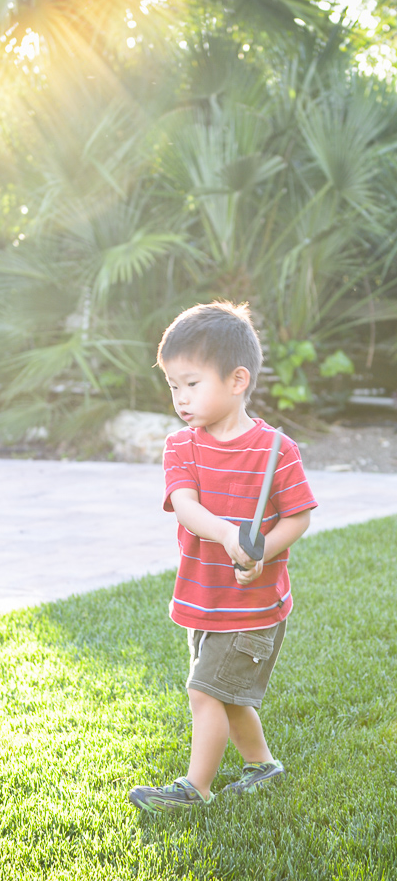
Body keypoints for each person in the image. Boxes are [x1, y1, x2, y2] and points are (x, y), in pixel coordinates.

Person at [129, 301, 317, 814]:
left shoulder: (277, 450)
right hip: (203, 596)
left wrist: (261, 552)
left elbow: (297, 518)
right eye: (172, 386)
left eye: (192, 383)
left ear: (237, 380)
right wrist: (228, 534)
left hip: (252, 604)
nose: (180, 398)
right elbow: (186, 507)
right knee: (227, 693)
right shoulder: (181, 447)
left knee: (204, 691)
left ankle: (196, 789)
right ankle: (263, 765)